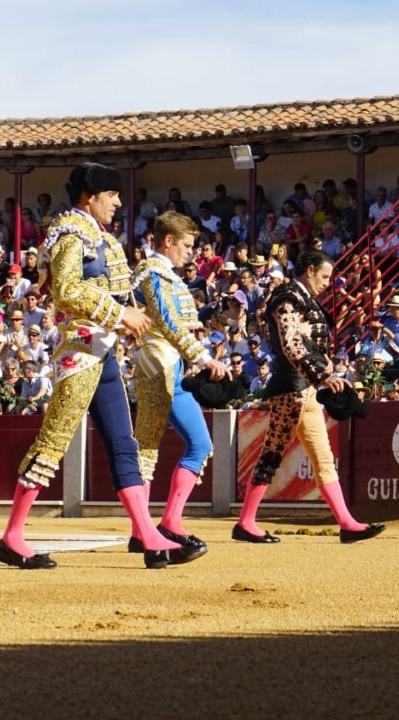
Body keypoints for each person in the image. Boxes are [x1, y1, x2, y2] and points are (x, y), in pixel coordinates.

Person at [0, 163, 198, 571]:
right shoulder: (72, 232)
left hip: (102, 351)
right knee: (53, 442)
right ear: (91, 196)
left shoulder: (96, 235)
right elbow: (69, 290)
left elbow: (108, 291)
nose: (119, 202)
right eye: (112, 195)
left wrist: (130, 317)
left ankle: (146, 532)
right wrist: (119, 315)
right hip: (79, 351)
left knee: (124, 443)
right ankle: (13, 536)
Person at [235, 249, 384, 545]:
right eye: (325, 276)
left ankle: (347, 523)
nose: (328, 283)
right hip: (292, 389)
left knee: (322, 459)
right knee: (273, 452)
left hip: (305, 389)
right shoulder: (288, 297)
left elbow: (302, 342)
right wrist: (321, 374)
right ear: (309, 270)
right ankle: (246, 522)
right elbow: (291, 343)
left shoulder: (300, 298)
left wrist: (323, 366)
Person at [130, 211, 230, 552]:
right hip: (160, 366)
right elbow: (169, 324)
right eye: (186, 245)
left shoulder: (162, 274)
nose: (191, 252)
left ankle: (147, 527)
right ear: (168, 241)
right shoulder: (152, 272)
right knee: (167, 448)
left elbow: (177, 322)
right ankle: (161, 524)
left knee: (155, 448)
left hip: (166, 366)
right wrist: (203, 357)